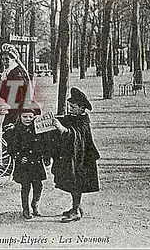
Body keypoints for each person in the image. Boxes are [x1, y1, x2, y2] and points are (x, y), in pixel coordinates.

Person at [51, 87, 100, 223]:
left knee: (76, 183)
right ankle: (75, 207)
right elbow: (64, 121)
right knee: (72, 182)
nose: (70, 109)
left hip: (82, 158)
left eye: (73, 107)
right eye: (69, 106)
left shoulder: (83, 121)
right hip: (74, 156)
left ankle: (76, 210)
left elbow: (76, 135)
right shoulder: (74, 117)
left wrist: (61, 128)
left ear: (81, 108)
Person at [4, 107, 52, 219]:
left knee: (38, 185)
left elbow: (45, 144)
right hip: (24, 164)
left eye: (30, 117)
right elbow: (11, 148)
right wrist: (18, 157)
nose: (28, 119)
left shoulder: (38, 129)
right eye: (24, 117)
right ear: (19, 117)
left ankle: (35, 204)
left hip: (36, 162)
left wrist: (46, 157)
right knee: (25, 186)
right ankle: (25, 208)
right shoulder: (15, 131)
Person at [0, 43, 33, 126]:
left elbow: (20, 94)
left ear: (13, 59)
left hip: (17, 108)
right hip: (12, 106)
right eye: (2, 59)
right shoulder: (10, 72)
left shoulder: (17, 73)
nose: (4, 62)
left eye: (7, 59)